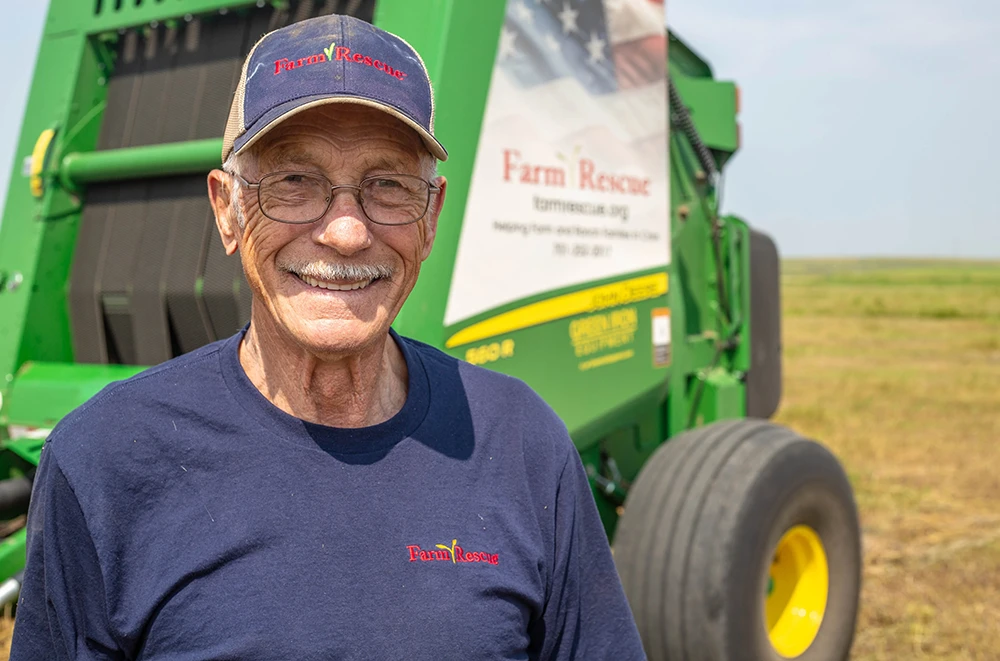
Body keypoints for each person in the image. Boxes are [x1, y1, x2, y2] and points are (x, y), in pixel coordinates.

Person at [10, 14, 646, 660]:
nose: (345, 232)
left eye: (388, 185)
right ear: (226, 210)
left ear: (430, 218)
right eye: (293, 181)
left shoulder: (523, 448)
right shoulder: (104, 465)